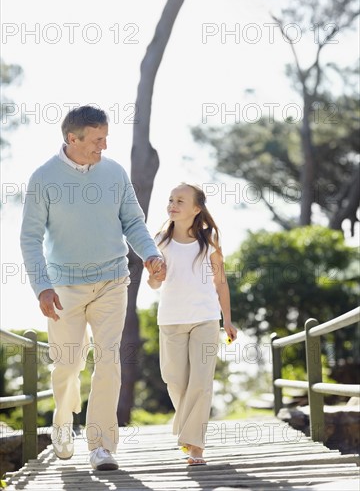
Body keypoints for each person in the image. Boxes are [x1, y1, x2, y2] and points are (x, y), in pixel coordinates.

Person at [20, 105, 165, 471]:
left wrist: (150, 254)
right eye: (97, 139)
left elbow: (133, 221)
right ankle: (63, 424)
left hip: (113, 281)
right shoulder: (43, 178)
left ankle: (101, 445)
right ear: (73, 138)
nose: (104, 145)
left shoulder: (114, 172)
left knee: (108, 359)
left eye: (105, 137)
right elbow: (30, 239)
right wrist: (42, 287)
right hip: (64, 287)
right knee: (67, 365)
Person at [148, 183, 237, 466]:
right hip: (171, 319)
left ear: (196, 209)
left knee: (200, 382)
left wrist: (228, 319)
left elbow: (220, 281)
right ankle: (187, 431)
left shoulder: (209, 240)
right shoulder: (159, 240)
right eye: (171, 199)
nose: (173, 204)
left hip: (205, 319)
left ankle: (195, 446)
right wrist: (155, 277)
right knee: (174, 381)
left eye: (180, 201)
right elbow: (152, 282)